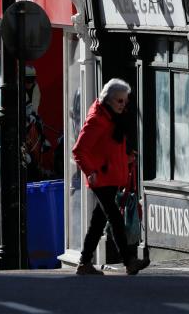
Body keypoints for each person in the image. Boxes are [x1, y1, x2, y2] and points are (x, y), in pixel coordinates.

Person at [72, 78, 149, 276]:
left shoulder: (112, 118)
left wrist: (126, 159)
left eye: (125, 101)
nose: (124, 105)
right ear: (108, 100)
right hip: (101, 178)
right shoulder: (98, 119)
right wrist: (91, 172)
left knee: (99, 220)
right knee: (114, 217)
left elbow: (109, 150)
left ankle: (84, 262)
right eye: (119, 101)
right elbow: (79, 150)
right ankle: (129, 260)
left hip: (108, 176)